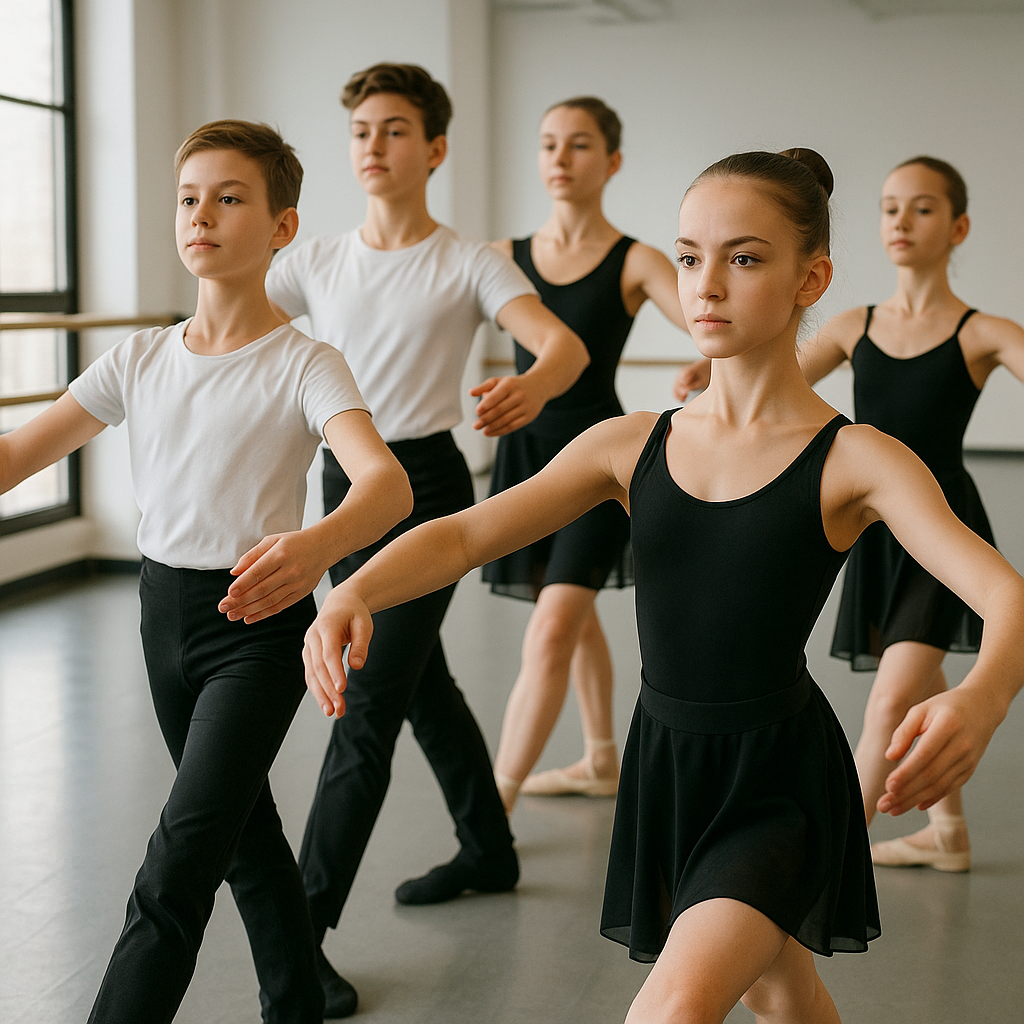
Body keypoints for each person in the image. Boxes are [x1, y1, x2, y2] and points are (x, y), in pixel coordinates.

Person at [302, 149, 1024, 1024]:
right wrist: (351, 592)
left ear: (812, 277)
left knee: (674, 1007)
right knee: (780, 988)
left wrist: (983, 696)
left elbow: (1002, 592)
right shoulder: (630, 443)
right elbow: (463, 536)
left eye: (745, 258)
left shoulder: (856, 459)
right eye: (689, 257)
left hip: (779, 782)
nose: (706, 284)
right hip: (667, 769)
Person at [0, 120, 412, 1024]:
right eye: (190, 197)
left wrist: (313, 545)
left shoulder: (305, 361)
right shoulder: (140, 357)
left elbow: (387, 487)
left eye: (230, 198)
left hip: (258, 626)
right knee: (240, 830)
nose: (203, 215)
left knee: (182, 853)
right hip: (162, 616)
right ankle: (299, 999)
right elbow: (18, 452)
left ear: (281, 227)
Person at [264, 63, 588, 1017]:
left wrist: (537, 380)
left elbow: (558, 340)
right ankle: (489, 849)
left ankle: (304, 936)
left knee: (363, 699)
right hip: (342, 485)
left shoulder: (469, 260)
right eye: (362, 129)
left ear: (434, 148)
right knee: (419, 685)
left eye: (396, 129)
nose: (374, 145)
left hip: (429, 487)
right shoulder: (311, 260)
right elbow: (237, 330)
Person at [678, 156, 1024, 872]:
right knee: (916, 677)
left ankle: (826, 866)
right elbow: (767, 380)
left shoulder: (981, 331)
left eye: (922, 208)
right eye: (891, 206)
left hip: (938, 524)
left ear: (957, 227)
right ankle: (949, 834)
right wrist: (705, 379)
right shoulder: (856, 325)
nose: (900, 220)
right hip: (875, 525)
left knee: (893, 696)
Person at [482, 96, 689, 812]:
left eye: (577, 145)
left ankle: (493, 810)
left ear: (613, 162)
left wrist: (709, 371)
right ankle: (601, 757)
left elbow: (711, 316)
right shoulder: (502, 258)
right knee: (573, 612)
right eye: (547, 145)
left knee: (551, 626)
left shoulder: (636, 260)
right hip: (526, 455)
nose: (559, 160)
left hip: (599, 464)